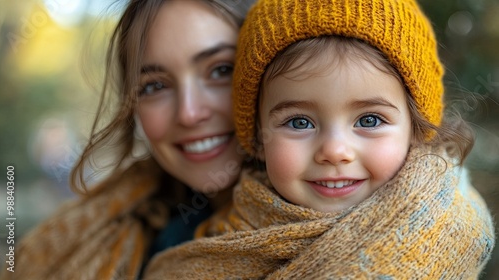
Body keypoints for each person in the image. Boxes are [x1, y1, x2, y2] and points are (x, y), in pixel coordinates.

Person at [142, 0, 496, 278]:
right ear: (258, 138)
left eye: (369, 119)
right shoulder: (197, 243)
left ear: (416, 130)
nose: (334, 151)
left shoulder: (447, 227)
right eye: (299, 122)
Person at [0, 0, 255, 279]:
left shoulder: (307, 247)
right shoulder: (125, 236)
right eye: (155, 85)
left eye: (221, 70)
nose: (189, 113)